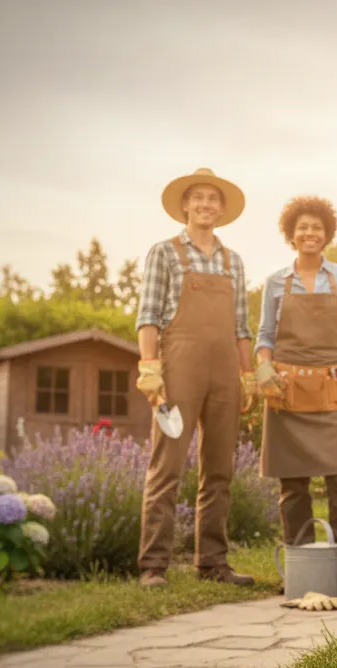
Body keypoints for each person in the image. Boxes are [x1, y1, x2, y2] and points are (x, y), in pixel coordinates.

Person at [133, 167, 260, 588]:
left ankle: (213, 562)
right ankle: (153, 565)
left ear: (222, 210)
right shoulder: (164, 253)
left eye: (213, 199)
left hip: (225, 371)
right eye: (198, 197)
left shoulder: (232, 261)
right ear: (185, 205)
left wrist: (247, 375)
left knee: (220, 467)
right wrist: (149, 366)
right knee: (166, 465)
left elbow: (241, 326)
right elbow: (148, 316)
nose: (206, 204)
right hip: (178, 369)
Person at [255, 195, 337, 593]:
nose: (310, 233)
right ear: (291, 234)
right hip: (287, 393)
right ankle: (300, 568)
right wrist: (264, 366)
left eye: (317, 227)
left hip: (332, 389)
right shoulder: (275, 282)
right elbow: (265, 336)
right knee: (293, 486)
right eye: (302, 227)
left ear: (327, 234)